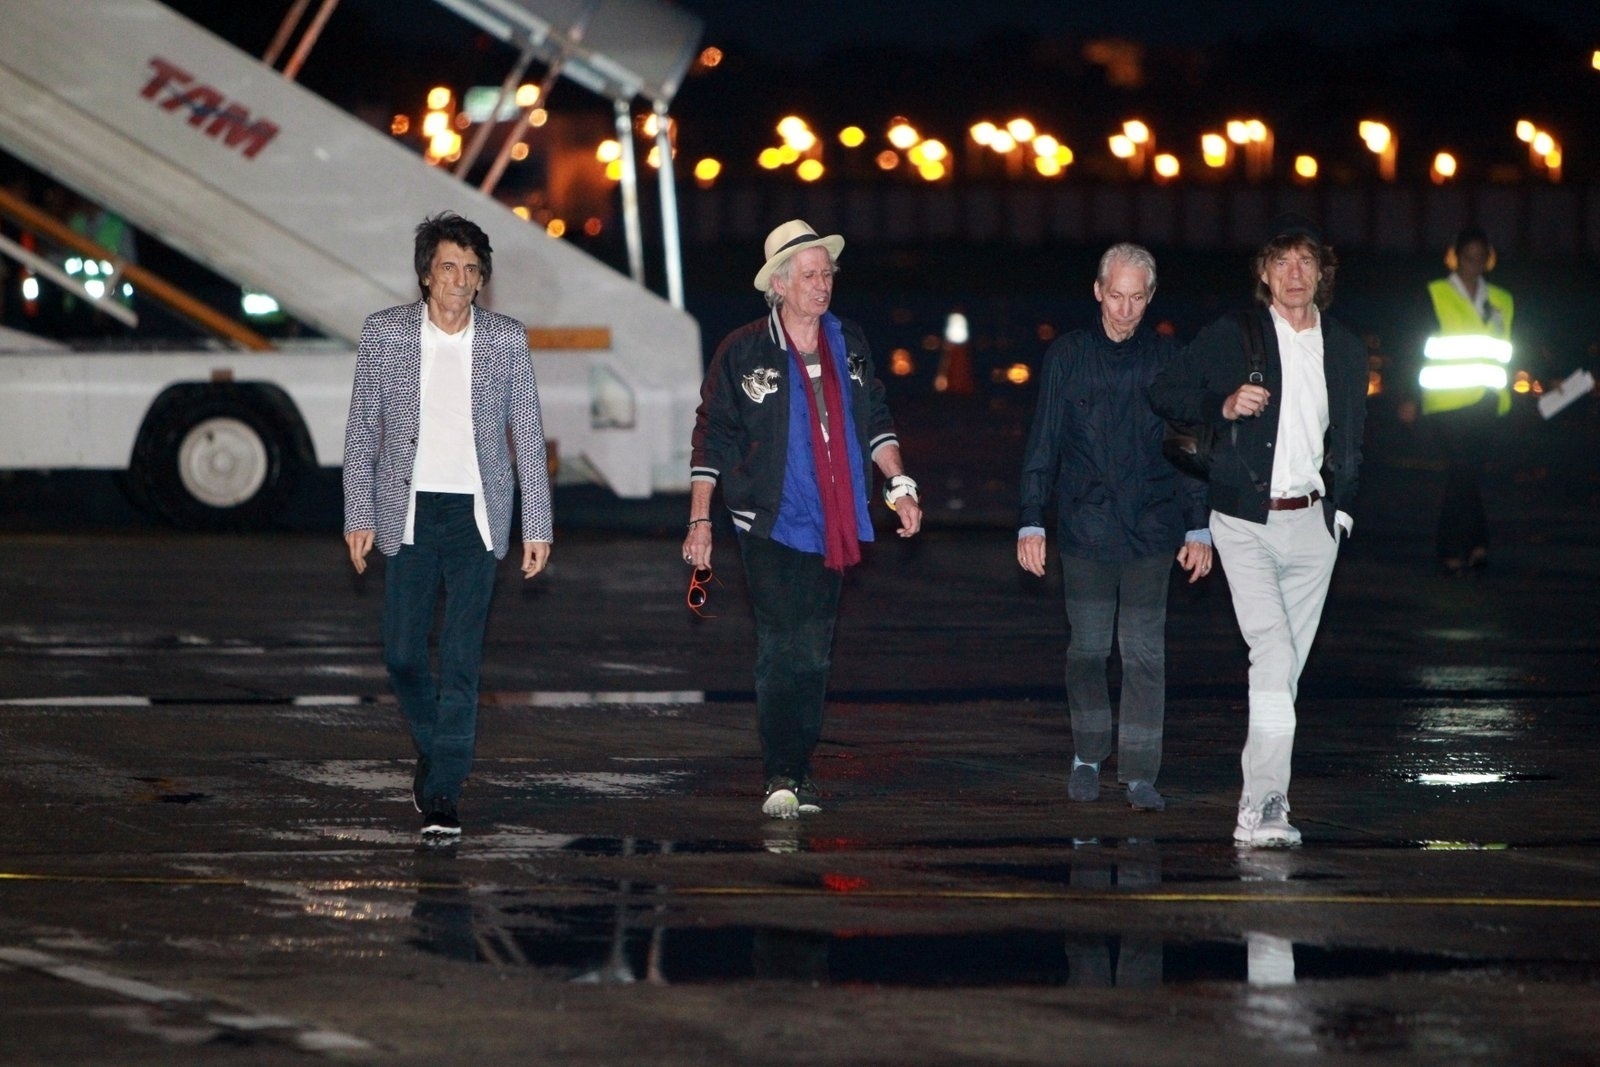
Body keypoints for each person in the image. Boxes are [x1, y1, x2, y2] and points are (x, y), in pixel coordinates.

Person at [683, 219, 922, 819]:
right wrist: (701, 522)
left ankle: (800, 766)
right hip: (764, 519)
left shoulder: (851, 343)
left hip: (834, 516)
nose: (823, 286)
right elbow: (711, 437)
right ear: (780, 286)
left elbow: (876, 422)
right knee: (780, 644)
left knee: (813, 651)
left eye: (827, 275)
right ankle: (781, 774)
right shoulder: (742, 350)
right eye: (811, 276)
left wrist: (900, 485)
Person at [1148, 214, 1367, 848]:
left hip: (1315, 526)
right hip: (1244, 518)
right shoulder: (1235, 335)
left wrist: (1342, 510)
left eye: (1305, 263)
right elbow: (1167, 390)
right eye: (1281, 263)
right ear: (1264, 275)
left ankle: (1257, 802)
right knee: (1271, 657)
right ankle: (1269, 803)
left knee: (1284, 673)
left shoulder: (1345, 346)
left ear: (1321, 274)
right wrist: (1222, 404)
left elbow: (1352, 436)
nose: (1294, 275)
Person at [342, 211, 553, 839]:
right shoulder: (384, 335)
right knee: (403, 654)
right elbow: (362, 435)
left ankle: (443, 794)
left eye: (470, 270)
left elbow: (528, 438)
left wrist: (536, 525)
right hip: (405, 514)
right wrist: (358, 514)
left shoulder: (503, 339)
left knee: (461, 663)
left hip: (475, 518)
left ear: (481, 279)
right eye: (447, 268)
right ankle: (438, 751)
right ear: (426, 277)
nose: (459, 280)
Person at [1017, 243, 1212, 813]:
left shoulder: (1170, 360)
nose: (1124, 310)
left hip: (1153, 529)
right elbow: (1044, 441)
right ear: (1098, 291)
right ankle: (1087, 753)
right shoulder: (1068, 357)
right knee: (1088, 650)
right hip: (1086, 528)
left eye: (1137, 298)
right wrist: (1032, 519)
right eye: (1116, 296)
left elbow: (1188, 445)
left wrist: (1198, 528)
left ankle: (1140, 773)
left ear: (1149, 298)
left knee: (1146, 653)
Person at [1418, 225, 1513, 576]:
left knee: (1468, 474)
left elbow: (1506, 350)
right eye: (1467, 257)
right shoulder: (1435, 293)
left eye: (1479, 257)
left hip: (1486, 401)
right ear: (1455, 256)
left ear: (1488, 259)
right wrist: (1409, 396)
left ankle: (1473, 546)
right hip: (1446, 402)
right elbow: (1415, 344)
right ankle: (1457, 548)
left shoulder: (1502, 300)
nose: (1473, 264)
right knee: (1462, 472)